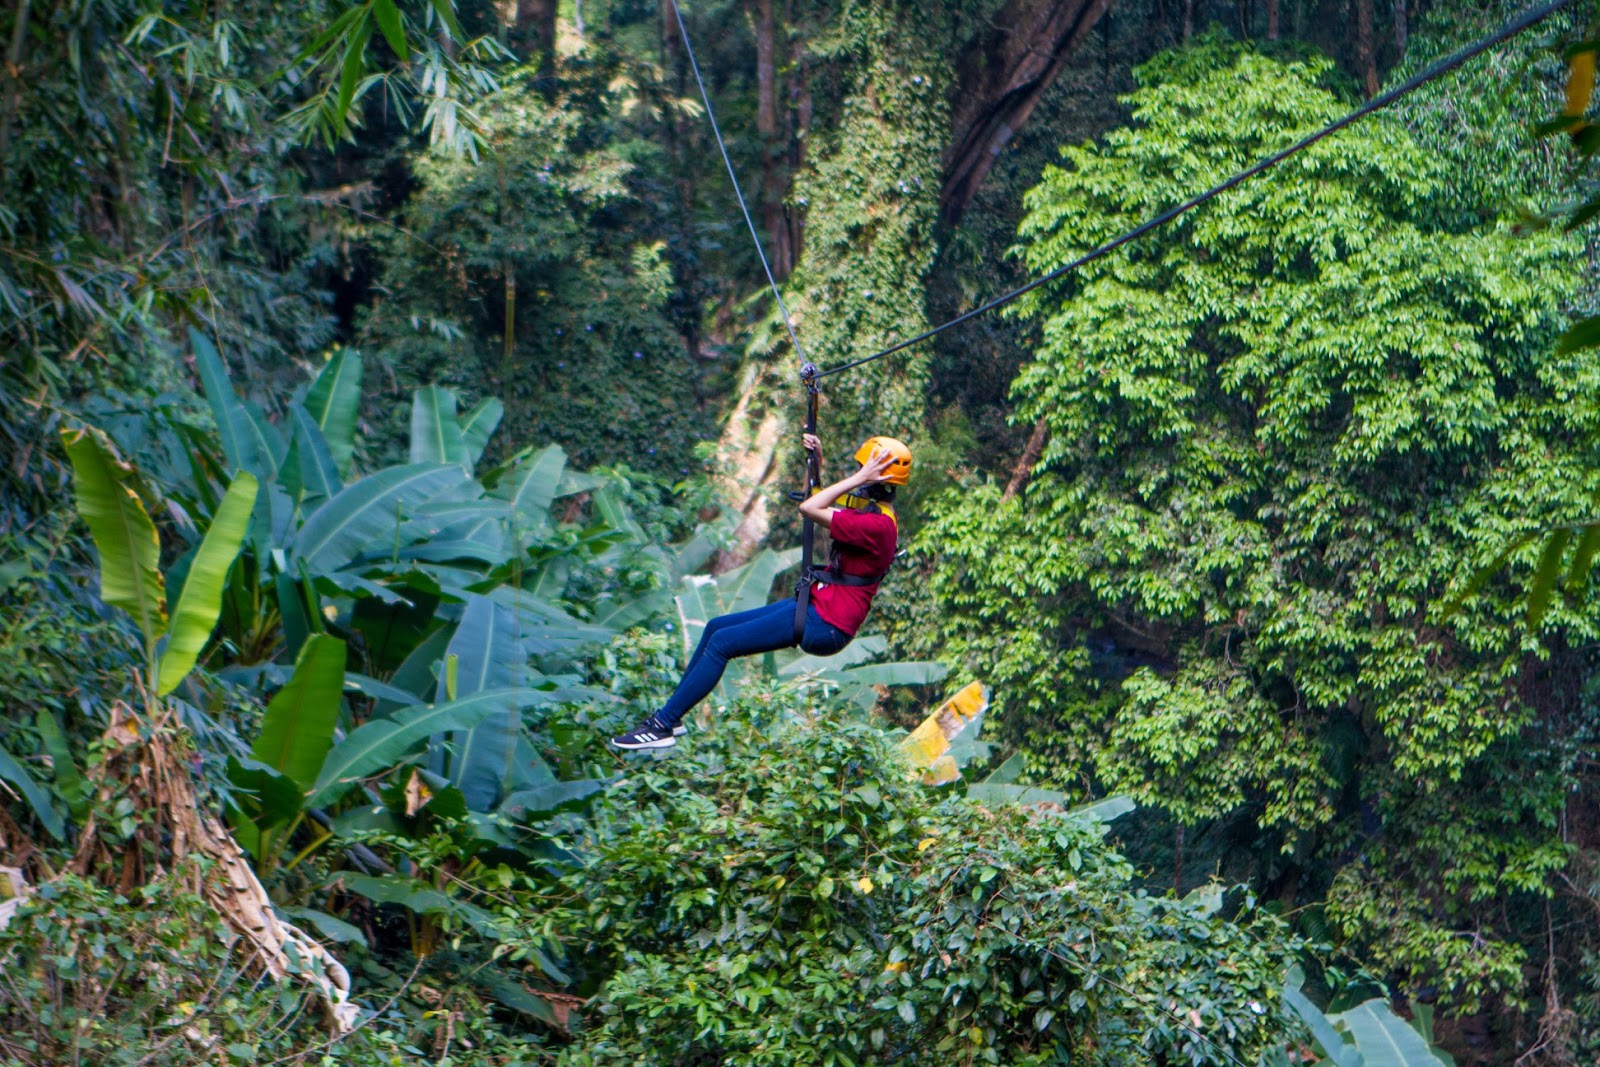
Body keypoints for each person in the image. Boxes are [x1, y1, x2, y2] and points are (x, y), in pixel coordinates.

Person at [609, 433, 912, 751]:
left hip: (825, 624)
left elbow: (810, 508)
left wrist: (856, 478)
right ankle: (669, 717)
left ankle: (662, 726)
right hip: (816, 606)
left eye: (863, 470)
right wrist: (817, 463)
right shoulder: (873, 511)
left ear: (874, 479)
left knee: (723, 644)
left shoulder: (877, 527)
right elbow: (817, 496)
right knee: (716, 628)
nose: (859, 477)